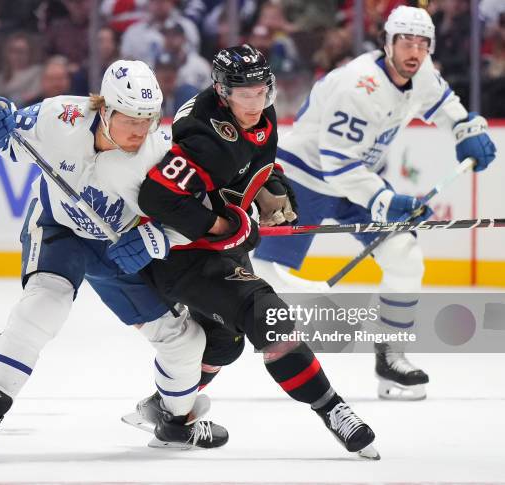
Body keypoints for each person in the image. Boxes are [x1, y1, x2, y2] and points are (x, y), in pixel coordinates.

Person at [111, 44, 379, 459]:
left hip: (220, 251)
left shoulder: (260, 114)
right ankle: (334, 410)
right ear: (222, 92)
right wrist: (223, 225)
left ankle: (170, 413)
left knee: (223, 341)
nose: (256, 103)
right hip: (182, 255)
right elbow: (157, 198)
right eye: (244, 94)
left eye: (262, 91)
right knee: (266, 314)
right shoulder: (201, 135)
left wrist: (273, 191)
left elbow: (260, 162)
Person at [0, 60, 228, 461]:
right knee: (45, 303)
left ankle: (174, 424)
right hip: (59, 228)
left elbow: (196, 217)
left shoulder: (159, 152)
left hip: (118, 246)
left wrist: (154, 238)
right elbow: (0, 138)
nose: (140, 130)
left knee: (184, 342)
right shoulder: (58, 116)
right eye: (131, 118)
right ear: (104, 110)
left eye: (148, 118)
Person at [253, 6, 497, 400]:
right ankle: (228, 344)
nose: (414, 51)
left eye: (422, 43)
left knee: (405, 256)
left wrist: (467, 129)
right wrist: (385, 200)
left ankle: (391, 358)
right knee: (264, 272)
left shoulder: (422, 74)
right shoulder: (357, 85)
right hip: (304, 178)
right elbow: (336, 164)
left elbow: (446, 104)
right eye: (405, 41)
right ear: (387, 42)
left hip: (359, 179)